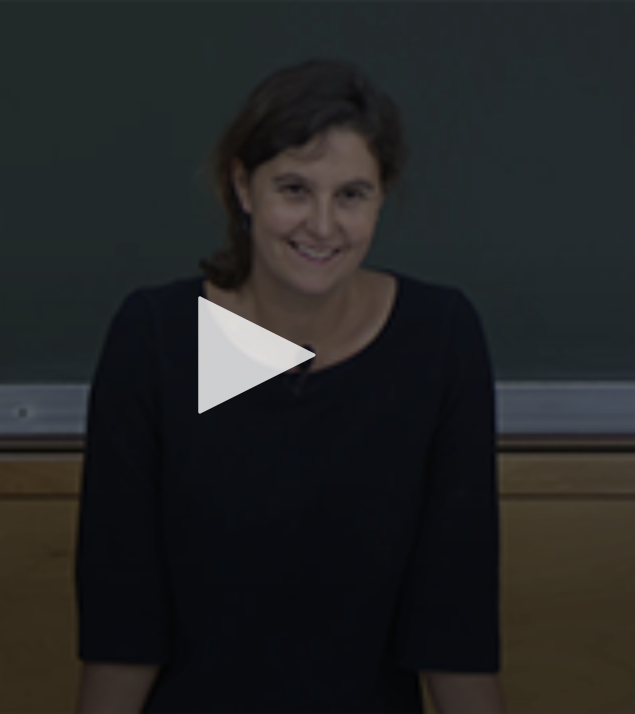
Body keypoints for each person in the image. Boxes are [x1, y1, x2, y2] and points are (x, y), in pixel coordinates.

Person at [75, 58, 504, 714]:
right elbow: (124, 619)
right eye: (295, 189)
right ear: (242, 187)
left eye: (351, 195)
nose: (323, 225)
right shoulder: (157, 338)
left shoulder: (439, 338)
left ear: (382, 197)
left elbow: (454, 623)